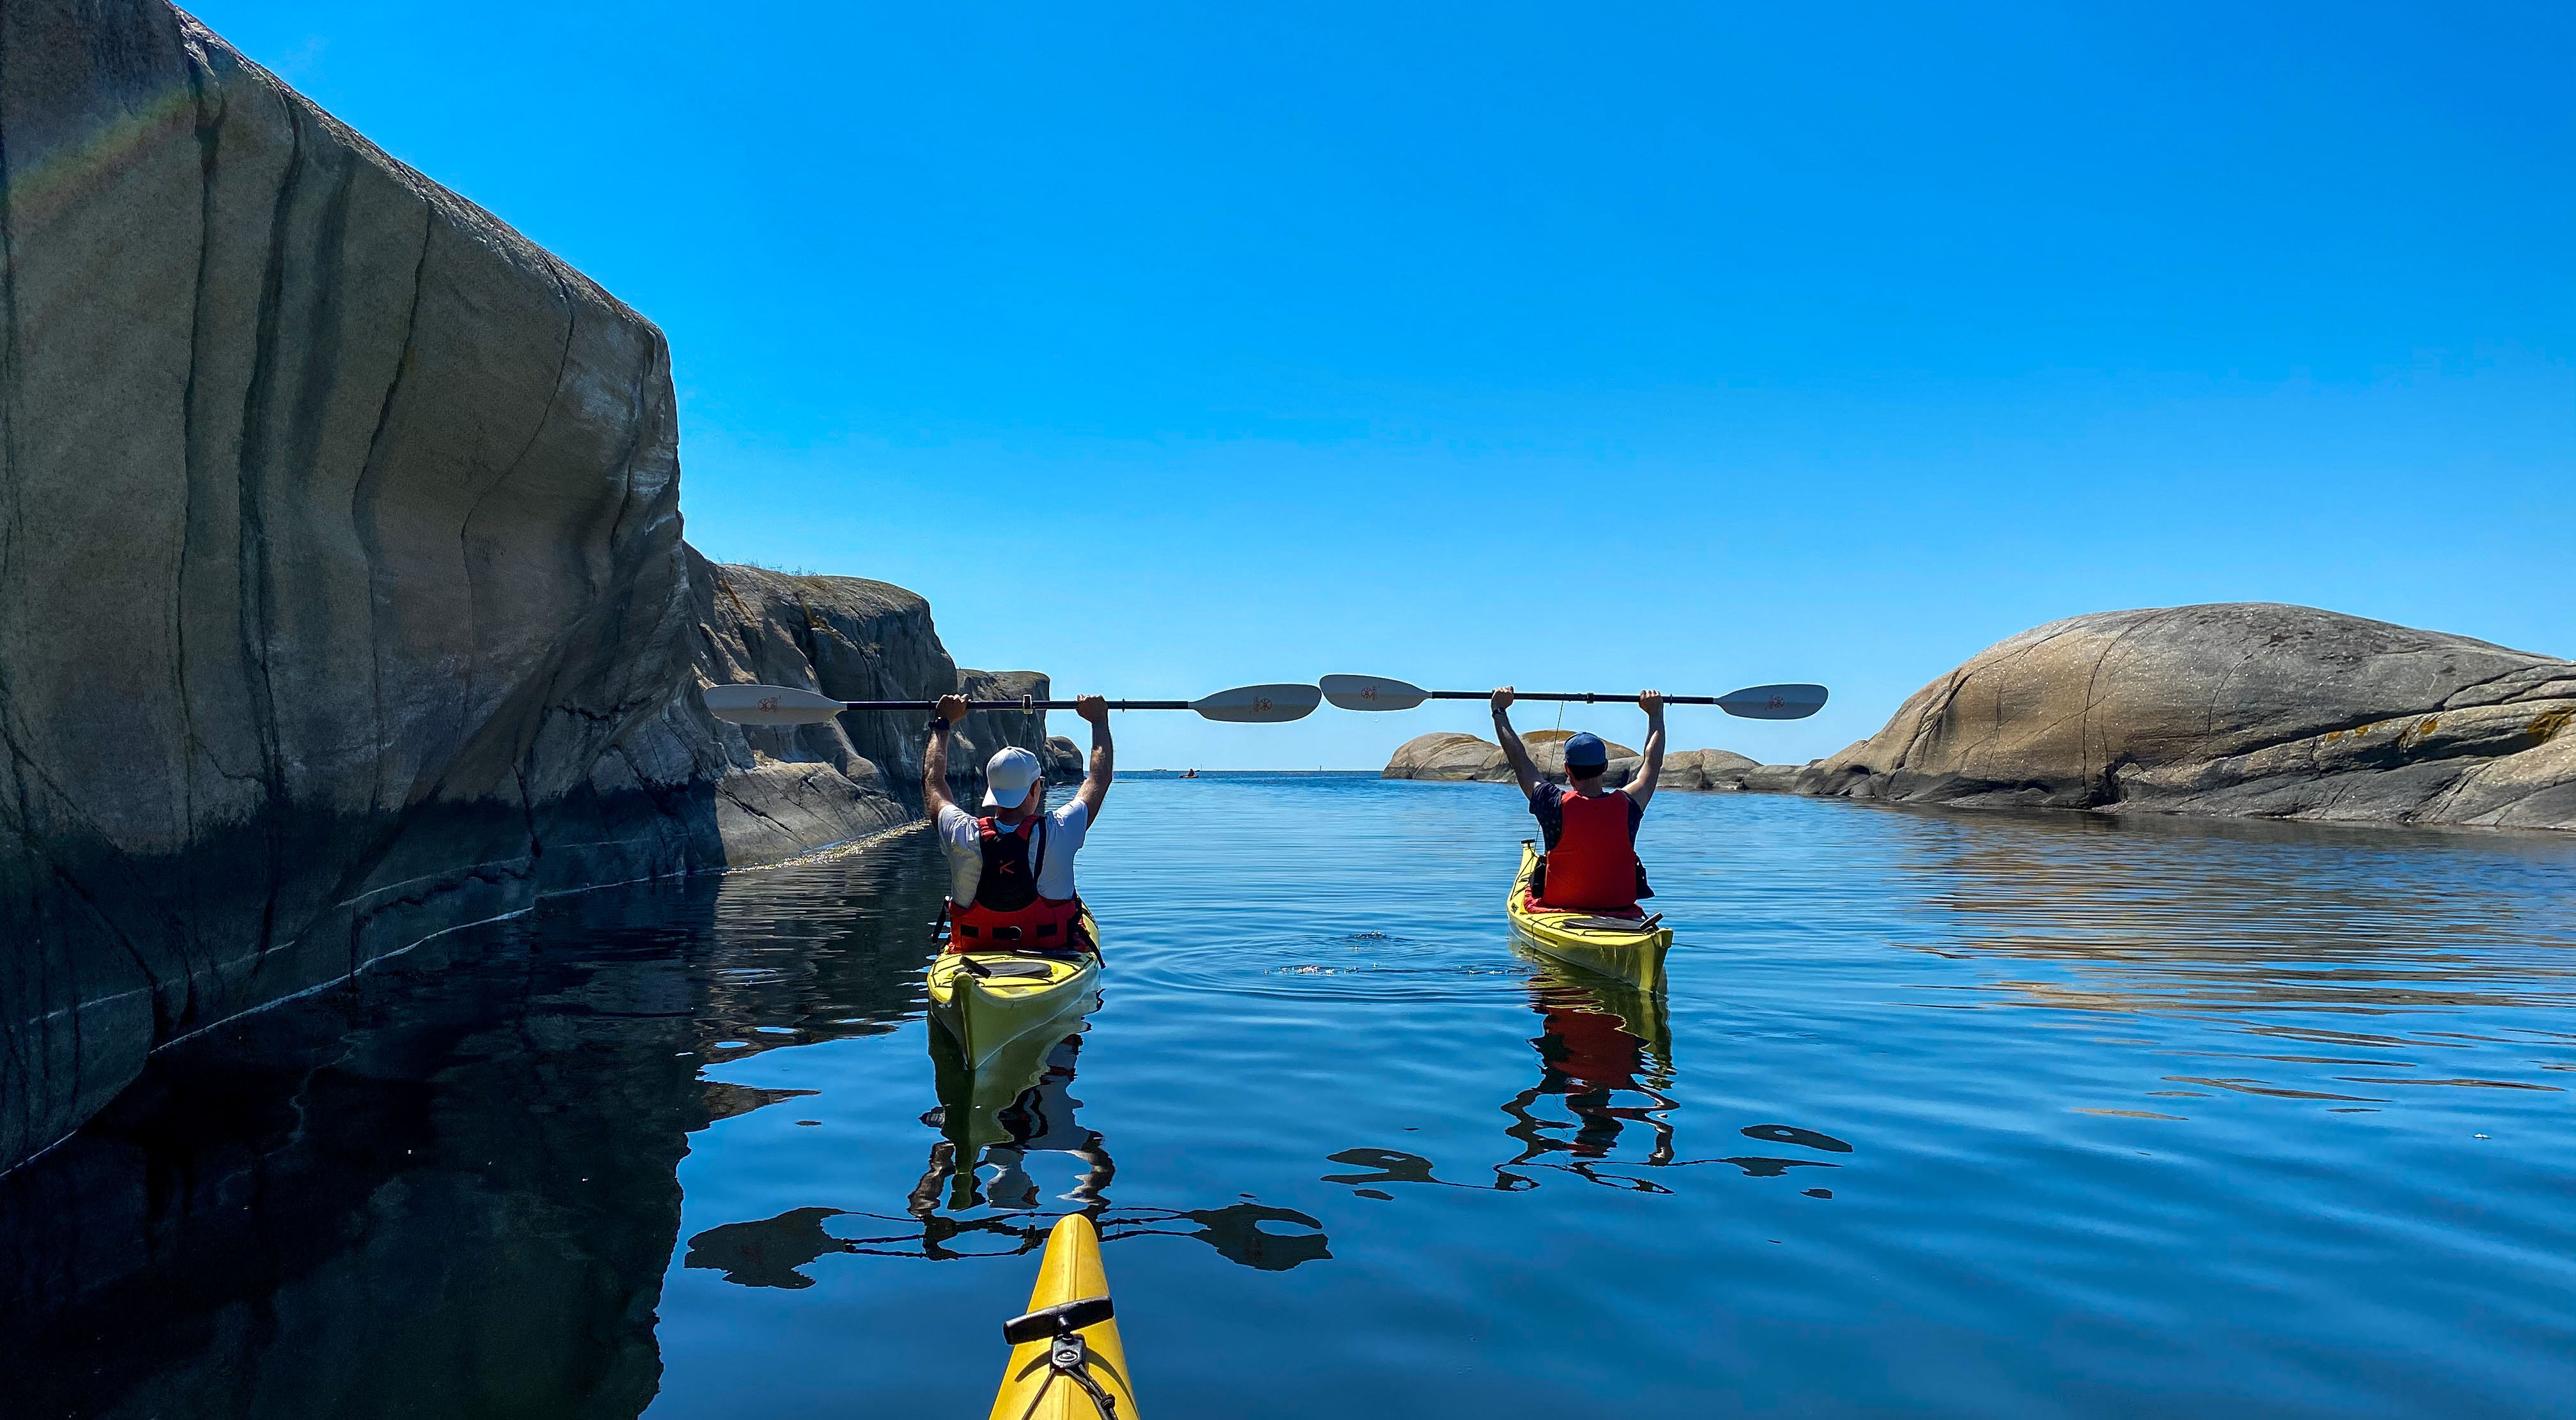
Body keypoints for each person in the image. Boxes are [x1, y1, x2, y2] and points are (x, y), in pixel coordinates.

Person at [922, 692, 1113, 950]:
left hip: (976, 952)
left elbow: (934, 783)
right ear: (1036, 787)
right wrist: (1099, 721)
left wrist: (942, 722)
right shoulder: (1060, 829)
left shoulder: (960, 831)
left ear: (992, 789)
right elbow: (1099, 779)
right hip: (1051, 952)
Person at [1491, 687, 1665, 914]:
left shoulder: (1551, 803)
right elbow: (1652, 763)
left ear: (1567, 769)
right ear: (1605, 767)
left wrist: (1499, 710)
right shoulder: (1631, 803)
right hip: (1619, 908)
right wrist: (1656, 714)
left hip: (1560, 907)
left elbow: (1520, 761)